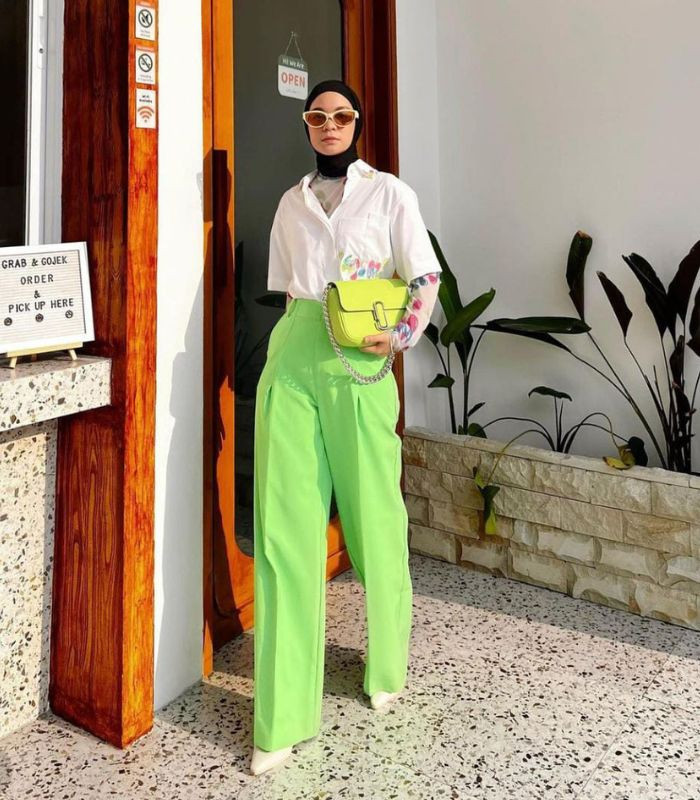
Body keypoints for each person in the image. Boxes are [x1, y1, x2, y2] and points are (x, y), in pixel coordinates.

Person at [250, 78, 442, 776]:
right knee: (283, 531)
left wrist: (402, 336)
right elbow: (288, 290)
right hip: (297, 349)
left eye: (340, 115)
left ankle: (387, 666)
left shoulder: (390, 194)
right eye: (317, 115)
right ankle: (281, 715)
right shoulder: (290, 203)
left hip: (362, 357)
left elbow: (424, 277)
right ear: (306, 125)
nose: (328, 124)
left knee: (374, 517)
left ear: (357, 123)